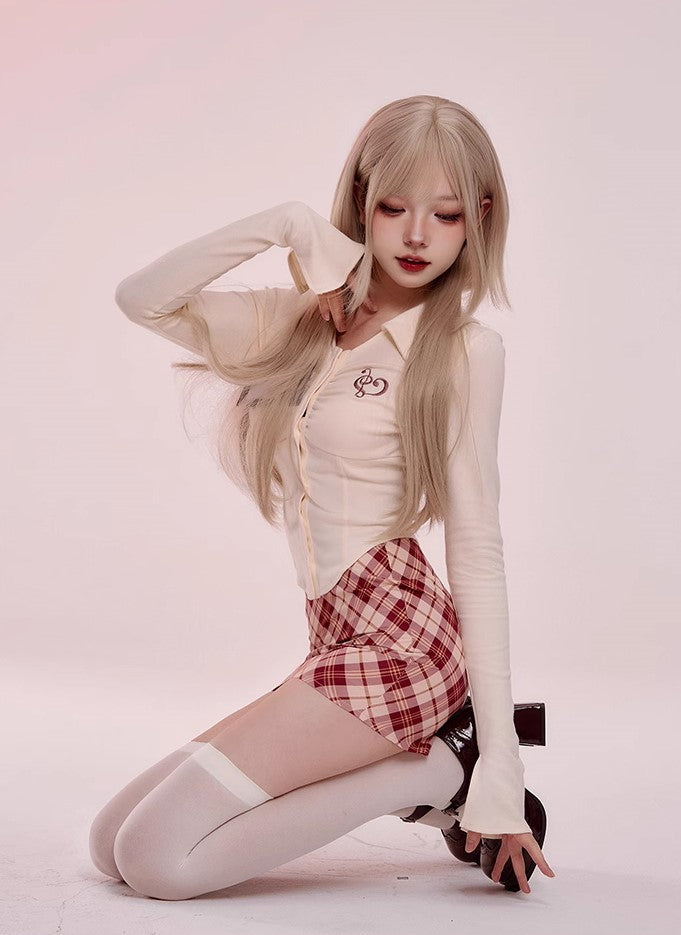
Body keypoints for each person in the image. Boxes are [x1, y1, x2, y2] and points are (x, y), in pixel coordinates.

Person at [89, 94, 555, 900]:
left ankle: (445, 770)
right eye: (394, 207)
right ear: (360, 201)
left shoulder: (464, 350)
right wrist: (288, 225)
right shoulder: (299, 322)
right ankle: (432, 774)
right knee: (110, 843)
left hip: (404, 643)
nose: (417, 236)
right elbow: (141, 298)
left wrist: (501, 775)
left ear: (477, 217)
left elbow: (478, 550)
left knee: (158, 858)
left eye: (445, 214)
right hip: (336, 635)